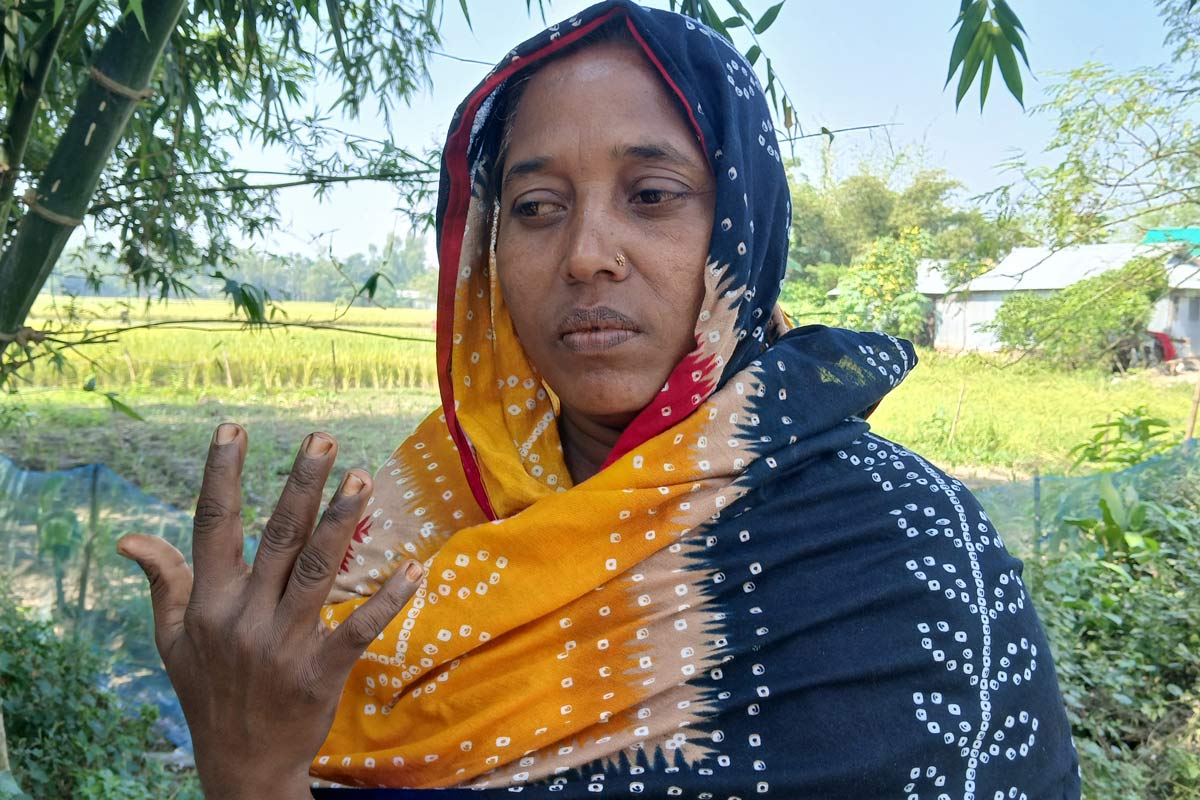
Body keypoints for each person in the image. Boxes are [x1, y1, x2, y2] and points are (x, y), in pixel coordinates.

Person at [117, 1, 1083, 797]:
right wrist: (248, 764)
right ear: (488, 248)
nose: (586, 255)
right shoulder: (420, 518)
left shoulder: (898, 551)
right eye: (537, 208)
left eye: (652, 194)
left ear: (741, 221)